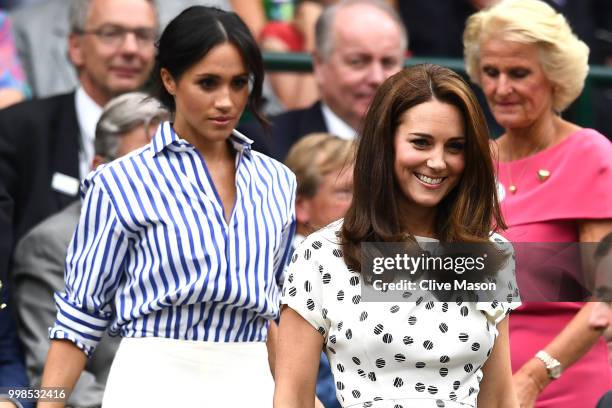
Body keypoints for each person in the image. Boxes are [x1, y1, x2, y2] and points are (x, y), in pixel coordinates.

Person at [39, 6, 296, 407]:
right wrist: (48, 403)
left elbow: (276, 310)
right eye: (207, 83)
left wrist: (299, 396)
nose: (226, 101)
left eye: (239, 83)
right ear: (169, 80)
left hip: (252, 382)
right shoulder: (118, 182)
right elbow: (79, 318)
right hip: (150, 381)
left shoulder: (277, 181)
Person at [274, 63, 520, 408]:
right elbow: (293, 398)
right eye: (421, 142)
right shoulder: (323, 254)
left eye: (455, 147)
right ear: (384, 144)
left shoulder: (487, 254)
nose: (437, 162)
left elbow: (499, 399)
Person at [463, 1, 612, 407]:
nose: (501, 88)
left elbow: (606, 300)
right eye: (491, 73)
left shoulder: (590, 155)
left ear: (554, 77)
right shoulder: (476, 161)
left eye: (519, 73)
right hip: (477, 386)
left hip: (565, 385)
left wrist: (534, 376)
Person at [12, 92, 167, 408]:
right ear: (98, 169)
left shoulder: (190, 237)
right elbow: (56, 381)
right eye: (142, 165)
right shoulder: (51, 245)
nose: (161, 180)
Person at [239, 0, 407, 161]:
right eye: (357, 62)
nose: (376, 78)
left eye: (388, 62)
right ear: (319, 64)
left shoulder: (418, 146)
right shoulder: (263, 146)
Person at [285, 132, 355, 408]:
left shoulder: (378, 262)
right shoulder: (280, 271)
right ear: (301, 205)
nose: (363, 204)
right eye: (346, 192)